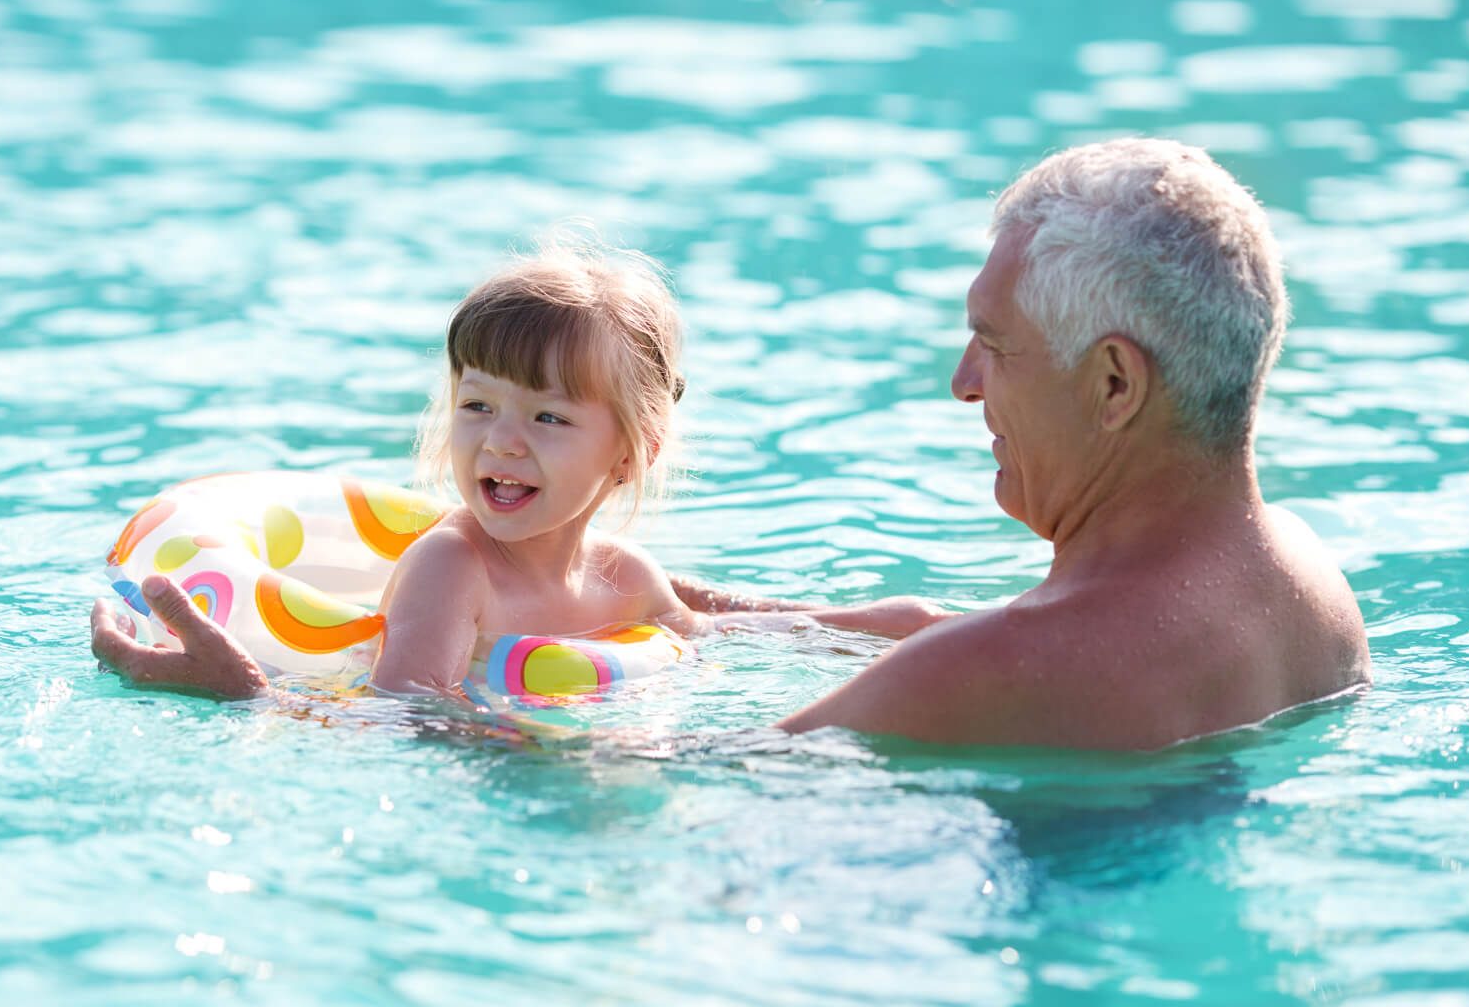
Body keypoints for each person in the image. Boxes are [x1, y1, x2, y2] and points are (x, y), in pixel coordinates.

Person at [677, 137, 1371, 749]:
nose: (964, 382)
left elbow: (694, 780)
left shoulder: (986, 672)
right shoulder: (1311, 588)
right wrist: (692, 611)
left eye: (995, 344)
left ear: (1113, 384)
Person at [90, 243, 948, 701]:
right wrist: (246, 691)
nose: (501, 442)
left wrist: (869, 620)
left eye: (547, 417)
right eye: (477, 407)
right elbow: (407, 723)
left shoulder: (624, 576)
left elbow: (712, 635)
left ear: (632, 451)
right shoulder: (448, 570)